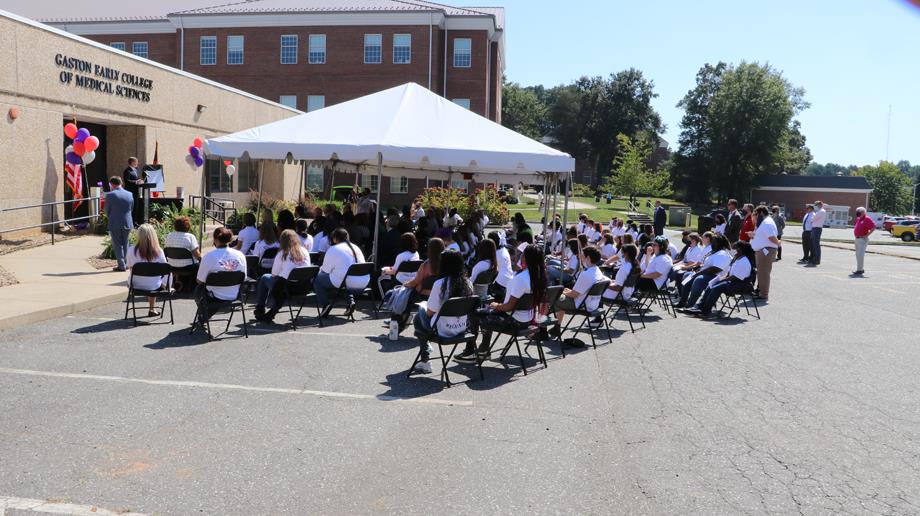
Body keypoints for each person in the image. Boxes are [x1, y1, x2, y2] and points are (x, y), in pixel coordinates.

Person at [458, 244, 549, 363]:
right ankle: (483, 350)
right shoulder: (540, 276)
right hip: (529, 319)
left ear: (526, 258)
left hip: (514, 321)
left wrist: (496, 306)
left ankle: (474, 351)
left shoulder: (521, 279)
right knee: (485, 312)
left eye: (522, 255)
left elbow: (508, 307)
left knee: (474, 313)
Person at [411, 250, 474, 374]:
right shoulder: (468, 283)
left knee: (418, 318)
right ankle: (425, 357)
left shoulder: (440, 284)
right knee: (421, 317)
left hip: (442, 330)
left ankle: (425, 360)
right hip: (461, 328)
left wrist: (423, 307)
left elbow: (429, 313)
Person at [685, 240, 756, 318]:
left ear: (740, 250)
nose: (732, 250)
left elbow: (736, 277)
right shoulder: (737, 258)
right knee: (711, 284)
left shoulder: (744, 261)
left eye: (734, 249)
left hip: (740, 284)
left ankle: (706, 311)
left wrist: (723, 280)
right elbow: (730, 273)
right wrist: (721, 278)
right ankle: (699, 307)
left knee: (716, 287)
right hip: (732, 281)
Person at [253, 229, 311, 322]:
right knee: (281, 281)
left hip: (287, 287)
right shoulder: (304, 251)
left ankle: (260, 308)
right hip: (303, 287)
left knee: (264, 277)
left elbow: (274, 273)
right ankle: (269, 310)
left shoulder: (283, 253)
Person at [194, 227, 248, 319]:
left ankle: (204, 315)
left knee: (198, 290)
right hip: (234, 294)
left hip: (213, 295)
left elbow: (200, 280)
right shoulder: (240, 255)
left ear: (215, 239)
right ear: (230, 240)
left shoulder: (209, 256)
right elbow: (244, 277)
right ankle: (204, 315)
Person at [551, 246, 606, 335]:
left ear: (588, 258)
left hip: (580, 304)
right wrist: (567, 291)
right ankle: (556, 327)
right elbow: (576, 292)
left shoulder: (586, 274)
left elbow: (573, 295)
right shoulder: (597, 270)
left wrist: (562, 292)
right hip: (593, 304)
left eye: (582, 255)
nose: (580, 257)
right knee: (560, 296)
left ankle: (550, 327)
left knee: (555, 298)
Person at [314, 227, 370, 315]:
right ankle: (350, 302)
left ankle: (325, 305)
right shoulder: (356, 247)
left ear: (335, 238)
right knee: (342, 279)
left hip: (347, 283)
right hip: (363, 282)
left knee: (317, 280)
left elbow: (325, 270)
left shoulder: (334, 249)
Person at [675, 234, 732, 310]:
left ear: (719, 243)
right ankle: (683, 302)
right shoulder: (713, 252)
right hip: (706, 273)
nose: (712, 243)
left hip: (716, 276)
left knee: (699, 279)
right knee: (686, 275)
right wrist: (697, 268)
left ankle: (690, 305)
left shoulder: (722, 254)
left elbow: (715, 269)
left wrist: (699, 273)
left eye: (713, 242)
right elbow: (704, 263)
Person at [126, 223, 168, 316]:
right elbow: (165, 269)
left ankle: (152, 309)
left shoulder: (131, 250)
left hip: (135, 284)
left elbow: (130, 268)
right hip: (154, 285)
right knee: (154, 280)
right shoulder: (159, 251)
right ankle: (152, 309)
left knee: (147, 278)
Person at [750, 205, 780, 300]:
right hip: (763, 250)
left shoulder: (767, 222)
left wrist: (778, 243)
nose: (755, 216)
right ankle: (762, 292)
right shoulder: (765, 222)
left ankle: (764, 294)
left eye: (756, 214)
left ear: (761, 213)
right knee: (762, 272)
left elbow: (771, 237)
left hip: (766, 250)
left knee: (763, 273)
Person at [104, 176, 134, 272]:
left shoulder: (110, 195)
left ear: (112, 184)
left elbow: (107, 210)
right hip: (127, 222)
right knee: (126, 243)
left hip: (115, 222)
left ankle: (121, 265)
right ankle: (126, 263)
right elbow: (131, 208)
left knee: (117, 244)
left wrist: (111, 216)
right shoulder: (129, 194)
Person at [852, 206, 876, 276]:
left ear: (863, 212)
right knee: (857, 255)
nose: (857, 213)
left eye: (859, 212)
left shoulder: (867, 219)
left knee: (860, 255)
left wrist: (867, 235)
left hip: (862, 239)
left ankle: (860, 270)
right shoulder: (859, 219)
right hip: (857, 239)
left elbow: (873, 227)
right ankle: (860, 269)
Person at [122, 157, 144, 224]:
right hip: (130, 191)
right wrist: (136, 182)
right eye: (136, 162)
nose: (137, 163)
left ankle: (134, 222)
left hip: (136, 191)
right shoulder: (127, 170)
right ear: (132, 162)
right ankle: (129, 222)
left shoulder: (135, 170)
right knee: (130, 207)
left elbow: (137, 179)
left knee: (135, 207)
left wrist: (140, 181)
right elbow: (127, 181)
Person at [808, 200, 827, 266]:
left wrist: (812, 219)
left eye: (816, 205)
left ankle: (817, 260)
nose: (815, 207)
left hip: (817, 229)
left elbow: (813, 219)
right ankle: (814, 258)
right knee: (814, 244)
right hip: (815, 228)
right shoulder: (819, 211)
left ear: (820, 205)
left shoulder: (821, 211)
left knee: (816, 245)